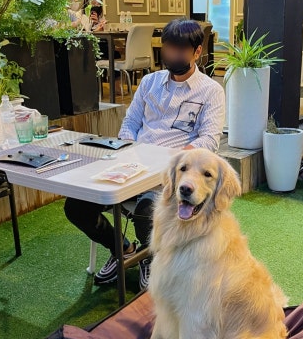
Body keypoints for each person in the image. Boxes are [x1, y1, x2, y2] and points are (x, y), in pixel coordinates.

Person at [64, 19, 225, 289]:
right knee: (77, 206)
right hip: (131, 165)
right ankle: (125, 250)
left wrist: (175, 160)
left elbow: (209, 140)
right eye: (168, 47)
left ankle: (149, 258)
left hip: (171, 176)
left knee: (145, 213)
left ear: (197, 52)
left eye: (180, 49)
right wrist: (127, 150)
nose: (172, 54)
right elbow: (130, 123)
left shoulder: (211, 91)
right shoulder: (150, 82)